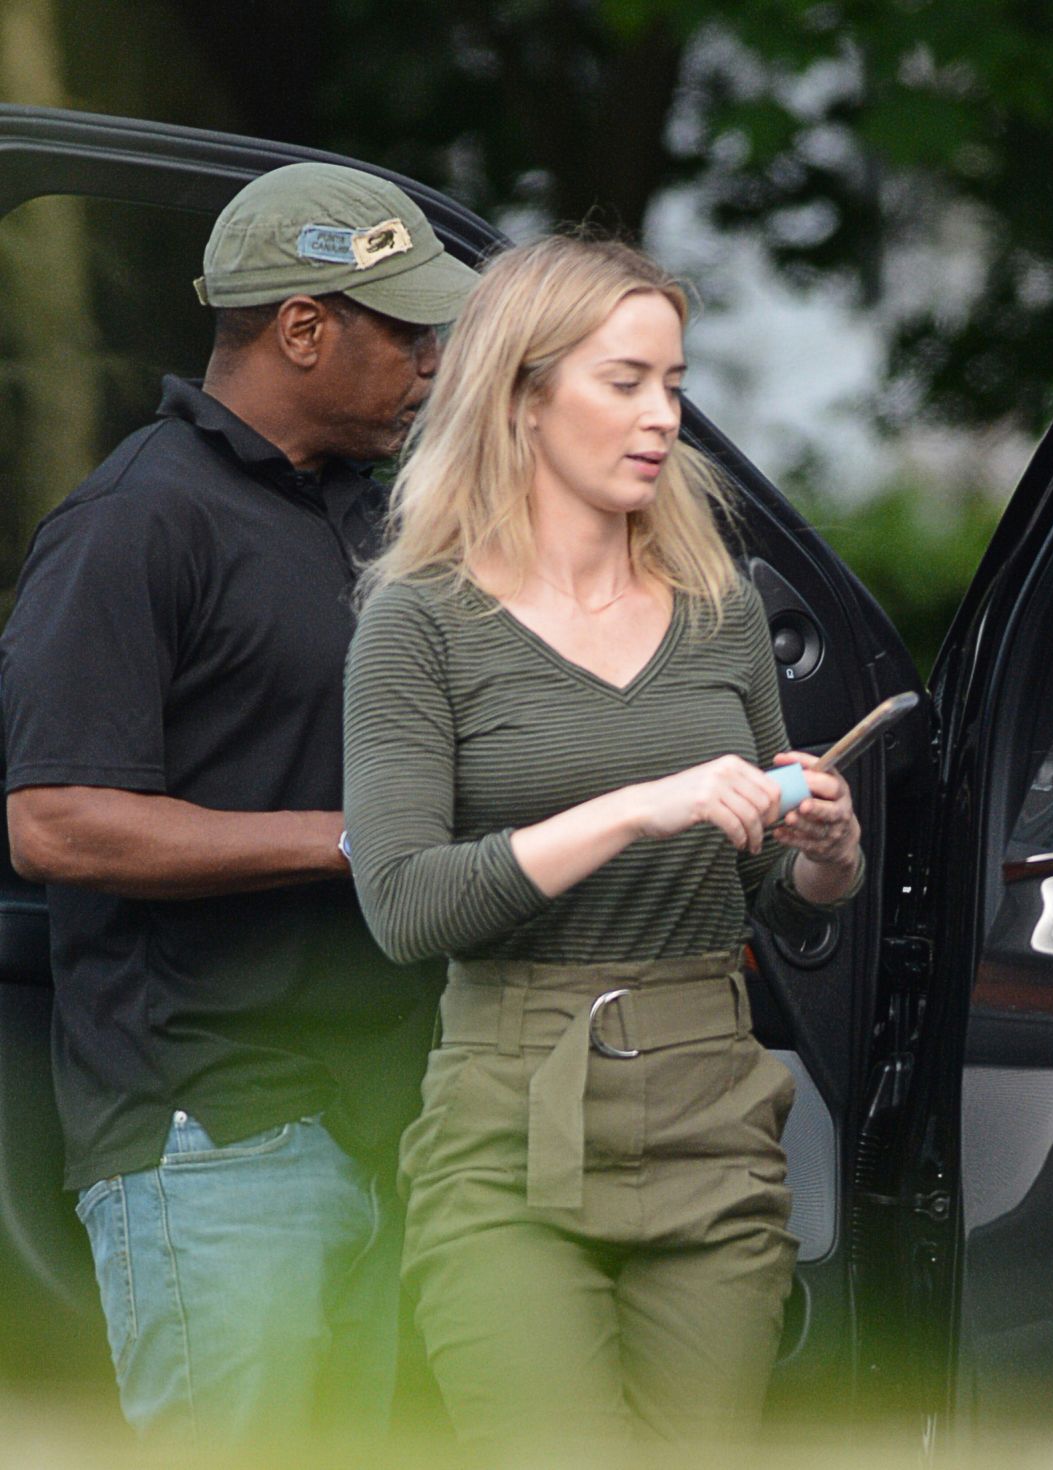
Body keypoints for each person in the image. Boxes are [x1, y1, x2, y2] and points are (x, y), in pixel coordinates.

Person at [342, 234, 864, 1451]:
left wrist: (823, 850)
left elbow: (775, 903)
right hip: (507, 1132)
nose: (661, 417)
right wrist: (643, 801)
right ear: (524, 395)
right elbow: (405, 908)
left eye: (674, 385)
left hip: (713, 1121)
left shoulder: (720, 608)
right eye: (624, 381)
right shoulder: (421, 621)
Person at [0, 162, 477, 1444]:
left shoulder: (368, 519)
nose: (433, 360)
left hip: (372, 1117)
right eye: (406, 328)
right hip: (207, 1132)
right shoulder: (133, 520)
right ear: (302, 326)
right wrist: (352, 843)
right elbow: (54, 820)